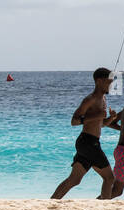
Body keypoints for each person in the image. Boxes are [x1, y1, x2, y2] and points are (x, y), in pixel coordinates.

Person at [51, 67, 118, 200]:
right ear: (99, 81)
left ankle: (52, 201)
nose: (111, 85)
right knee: (109, 178)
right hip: (88, 142)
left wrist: (110, 119)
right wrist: (96, 116)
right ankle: (105, 208)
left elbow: (100, 124)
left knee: (74, 180)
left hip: (90, 142)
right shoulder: (90, 99)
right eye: (108, 82)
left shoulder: (103, 99)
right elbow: (74, 121)